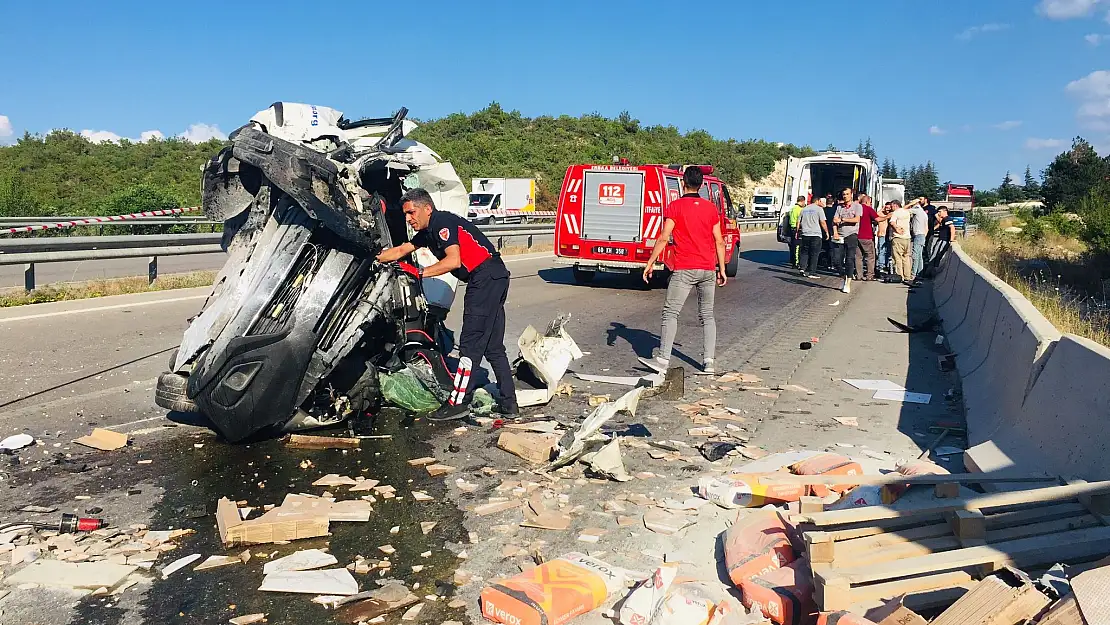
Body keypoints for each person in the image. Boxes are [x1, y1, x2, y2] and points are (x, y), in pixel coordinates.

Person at [375, 188, 516, 421]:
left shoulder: (442, 223)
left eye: (412, 212)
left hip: (484, 277)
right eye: (405, 215)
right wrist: (376, 257)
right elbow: (401, 250)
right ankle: (510, 404)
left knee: (470, 345)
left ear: (427, 208)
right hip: (494, 276)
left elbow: (453, 260)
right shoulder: (426, 233)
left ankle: (458, 402)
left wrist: (421, 272)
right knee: (492, 347)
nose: (408, 219)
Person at [640, 165, 727, 375]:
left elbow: (663, 237)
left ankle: (662, 360)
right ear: (702, 184)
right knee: (707, 315)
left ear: (683, 183)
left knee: (671, 313)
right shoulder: (710, 209)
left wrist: (650, 262)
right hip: (707, 269)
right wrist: (721, 269)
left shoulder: (675, 207)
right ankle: (709, 362)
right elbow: (719, 241)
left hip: (685, 268)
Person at [833, 188, 862, 293]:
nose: (845, 196)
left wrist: (842, 220)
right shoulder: (839, 207)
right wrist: (835, 232)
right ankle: (844, 276)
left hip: (851, 235)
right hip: (840, 236)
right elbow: (834, 221)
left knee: (849, 259)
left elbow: (856, 220)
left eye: (847, 194)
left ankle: (848, 283)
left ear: (851, 195)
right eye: (843, 194)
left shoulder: (857, 206)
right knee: (836, 260)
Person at [798, 196, 830, 278]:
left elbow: (798, 222)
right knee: (814, 254)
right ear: (818, 201)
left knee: (804, 252)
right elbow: (822, 222)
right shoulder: (819, 209)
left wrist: (797, 231)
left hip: (805, 234)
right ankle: (812, 272)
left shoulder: (804, 209)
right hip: (815, 234)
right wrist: (826, 232)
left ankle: (802, 268)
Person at [888, 200, 912, 283]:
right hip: (907, 237)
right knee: (906, 257)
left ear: (895, 205)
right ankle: (907, 276)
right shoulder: (907, 212)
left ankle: (899, 276)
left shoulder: (896, 213)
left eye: (892, 206)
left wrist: (897, 228)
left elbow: (892, 222)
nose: (891, 208)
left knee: (897, 258)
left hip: (898, 237)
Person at [909, 198, 928, 281]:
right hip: (922, 235)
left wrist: (910, 204)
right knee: (919, 256)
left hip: (918, 235)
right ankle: (920, 273)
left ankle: (913, 273)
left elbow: (904, 211)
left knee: (915, 255)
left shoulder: (917, 210)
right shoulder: (923, 212)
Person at [787, 195, 806, 268]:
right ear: (802, 201)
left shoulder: (792, 208)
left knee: (792, 246)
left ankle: (793, 261)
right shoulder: (799, 209)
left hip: (791, 228)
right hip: (797, 229)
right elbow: (801, 220)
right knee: (798, 247)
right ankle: (796, 263)